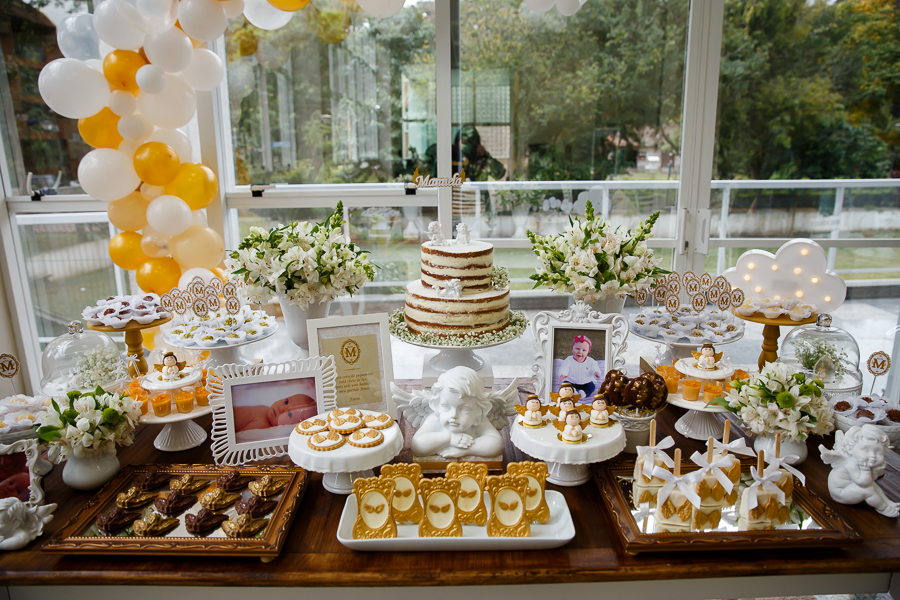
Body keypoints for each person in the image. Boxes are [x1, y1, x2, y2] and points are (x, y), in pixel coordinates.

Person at [233, 393, 318, 433]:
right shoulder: (266, 408)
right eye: (286, 402)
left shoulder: (262, 424)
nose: (281, 409)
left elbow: (240, 435)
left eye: (289, 414)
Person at [557, 335, 604, 400]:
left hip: (586, 382)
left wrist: (596, 372)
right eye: (577, 349)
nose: (580, 352)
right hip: (571, 381)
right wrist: (563, 374)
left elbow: (594, 367)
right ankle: (572, 391)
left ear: (588, 352)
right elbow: (564, 367)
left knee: (592, 386)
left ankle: (584, 393)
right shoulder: (569, 359)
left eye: (584, 350)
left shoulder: (590, 361)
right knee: (565, 384)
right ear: (572, 349)